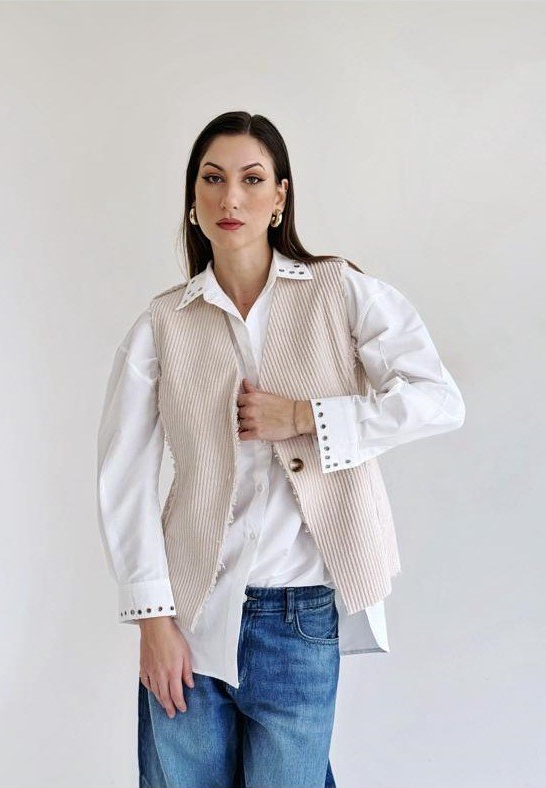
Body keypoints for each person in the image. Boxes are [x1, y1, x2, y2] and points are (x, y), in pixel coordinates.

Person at [96, 111, 466, 787]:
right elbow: (123, 476)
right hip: (188, 613)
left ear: (279, 197)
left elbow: (438, 399)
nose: (230, 198)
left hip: (299, 618)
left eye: (251, 179)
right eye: (213, 179)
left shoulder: (340, 291)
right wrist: (152, 619)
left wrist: (304, 417)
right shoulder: (162, 323)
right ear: (193, 198)